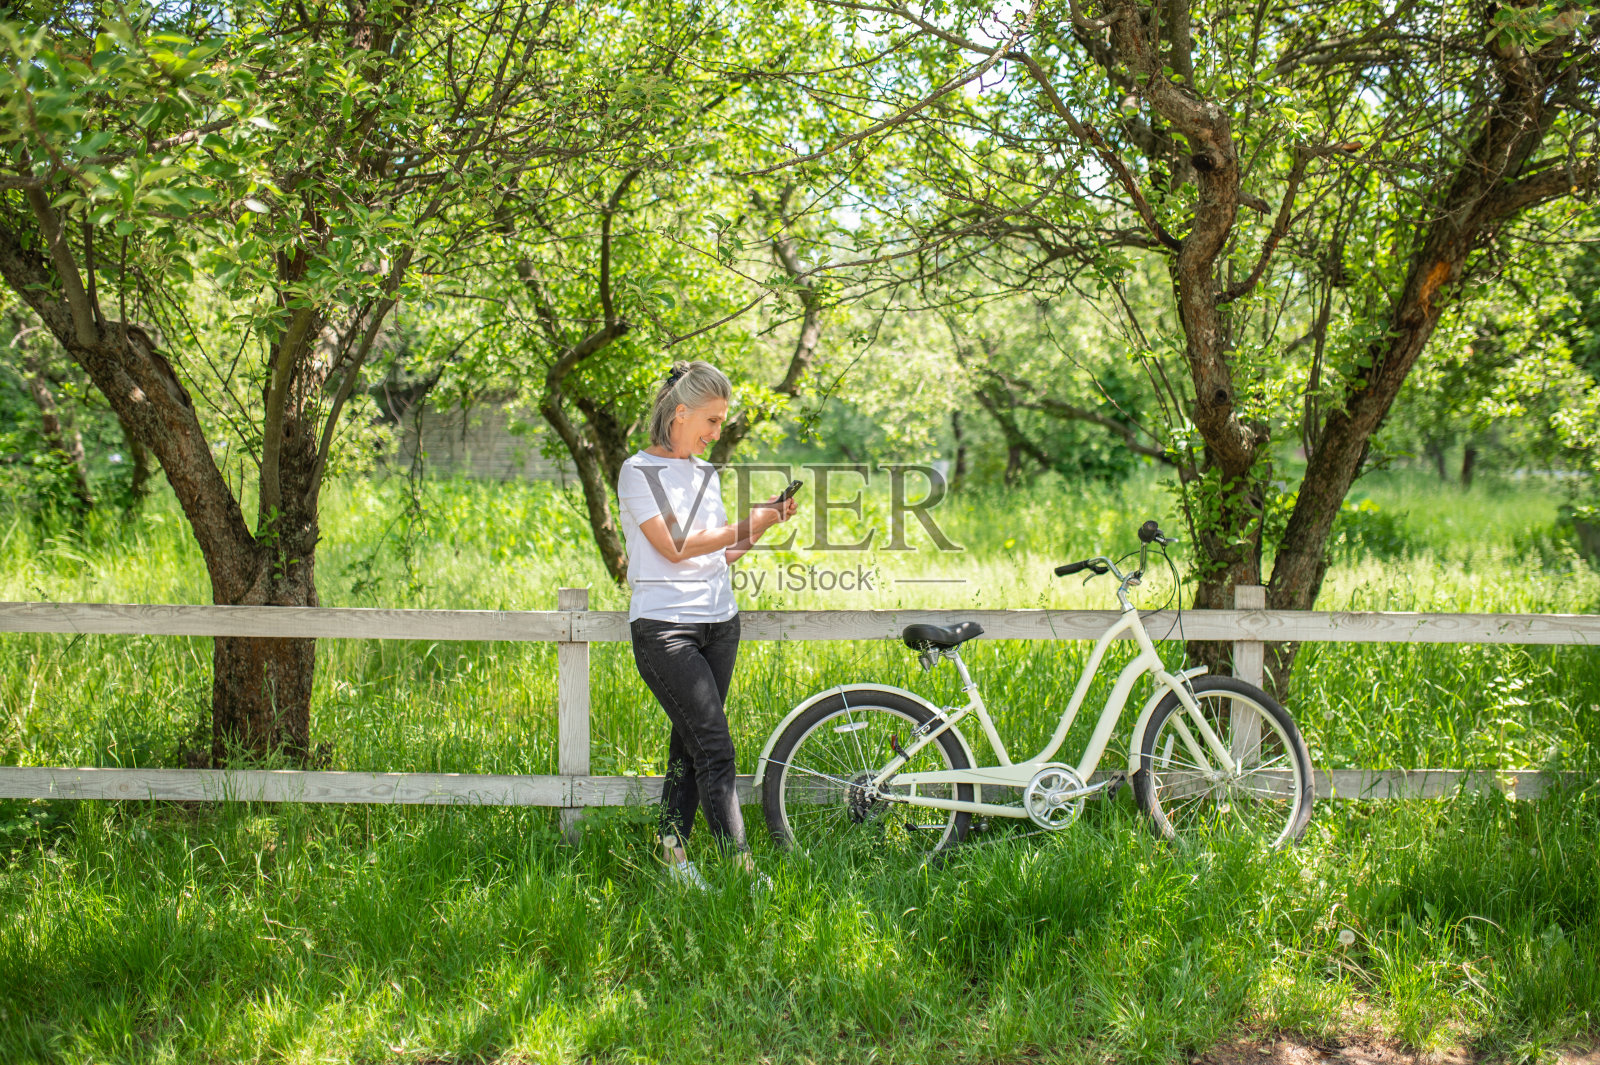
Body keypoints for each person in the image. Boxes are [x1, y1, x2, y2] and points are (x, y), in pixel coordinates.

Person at [615, 360, 798, 890]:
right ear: (679, 413)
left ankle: (672, 853)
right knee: (716, 748)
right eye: (712, 420)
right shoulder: (637, 471)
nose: (718, 432)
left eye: (722, 422)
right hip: (666, 628)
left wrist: (762, 523)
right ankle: (741, 870)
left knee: (690, 742)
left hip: (720, 623)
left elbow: (721, 553)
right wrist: (747, 522)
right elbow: (673, 549)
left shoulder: (705, 474)